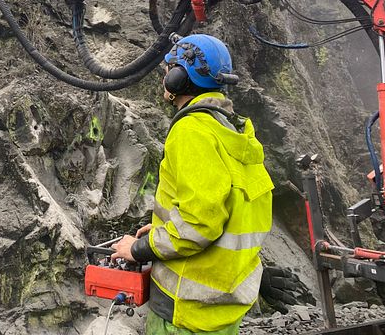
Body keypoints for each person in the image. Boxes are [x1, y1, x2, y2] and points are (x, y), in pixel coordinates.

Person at [110, 34, 274, 334]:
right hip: (224, 301)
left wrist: (138, 249)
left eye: (168, 70)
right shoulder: (233, 130)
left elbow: (199, 225)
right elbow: (222, 206)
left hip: (187, 308)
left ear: (177, 79)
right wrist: (163, 227)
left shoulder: (191, 132)